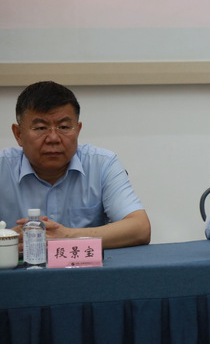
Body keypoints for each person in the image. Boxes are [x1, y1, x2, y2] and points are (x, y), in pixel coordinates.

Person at [0, 81, 151, 248]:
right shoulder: (2, 167)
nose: (53, 138)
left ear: (78, 130)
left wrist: (66, 236)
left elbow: (140, 229)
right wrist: (10, 239)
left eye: (64, 127)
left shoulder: (102, 164)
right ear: (18, 134)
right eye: (41, 128)